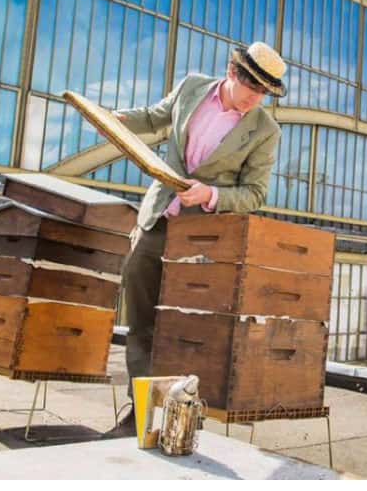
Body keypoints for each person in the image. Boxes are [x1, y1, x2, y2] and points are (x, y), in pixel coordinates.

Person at [107, 41, 287, 432]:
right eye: (252, 89)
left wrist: (211, 195)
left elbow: (255, 194)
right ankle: (140, 412)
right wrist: (114, 119)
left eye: (264, 94)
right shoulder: (192, 87)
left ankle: (181, 415)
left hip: (203, 238)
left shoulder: (265, 131)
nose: (256, 100)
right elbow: (155, 117)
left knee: (184, 326)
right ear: (233, 72)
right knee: (140, 321)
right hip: (157, 219)